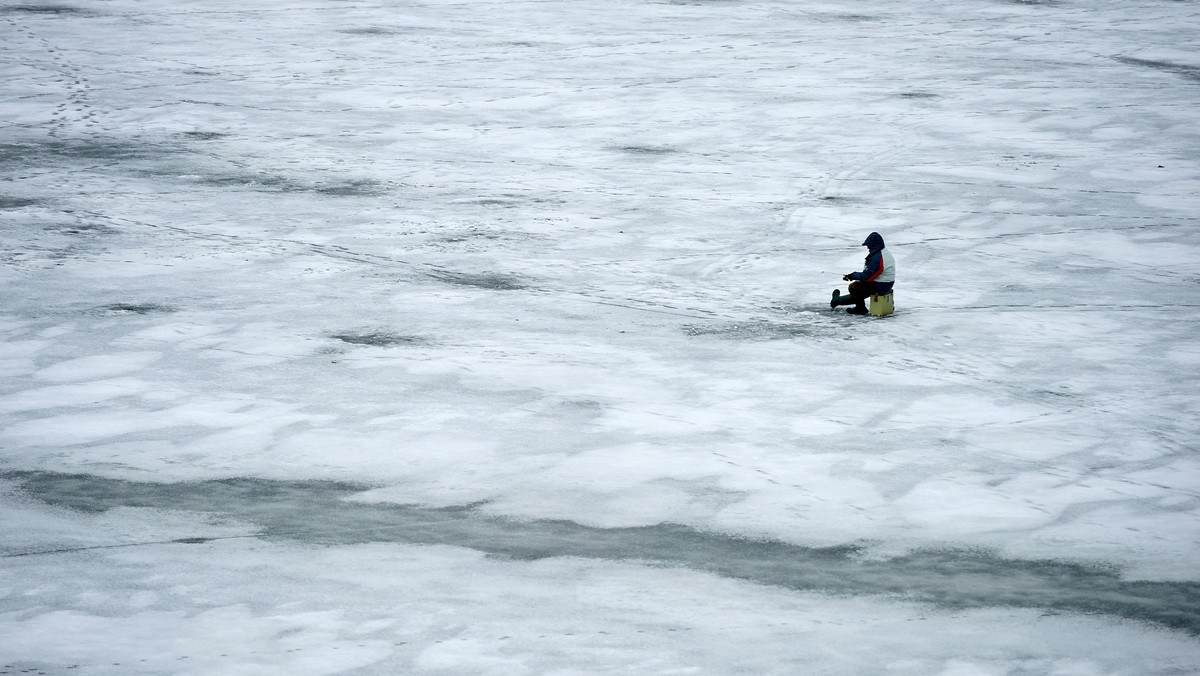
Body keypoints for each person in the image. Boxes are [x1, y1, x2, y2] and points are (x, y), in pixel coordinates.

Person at [830, 232, 894, 315]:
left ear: (874, 245)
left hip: (881, 284)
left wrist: (852, 276)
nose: (868, 247)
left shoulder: (877, 257)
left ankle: (860, 308)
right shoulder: (883, 252)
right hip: (886, 283)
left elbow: (867, 277)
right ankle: (837, 300)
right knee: (859, 293)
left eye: (869, 245)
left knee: (854, 288)